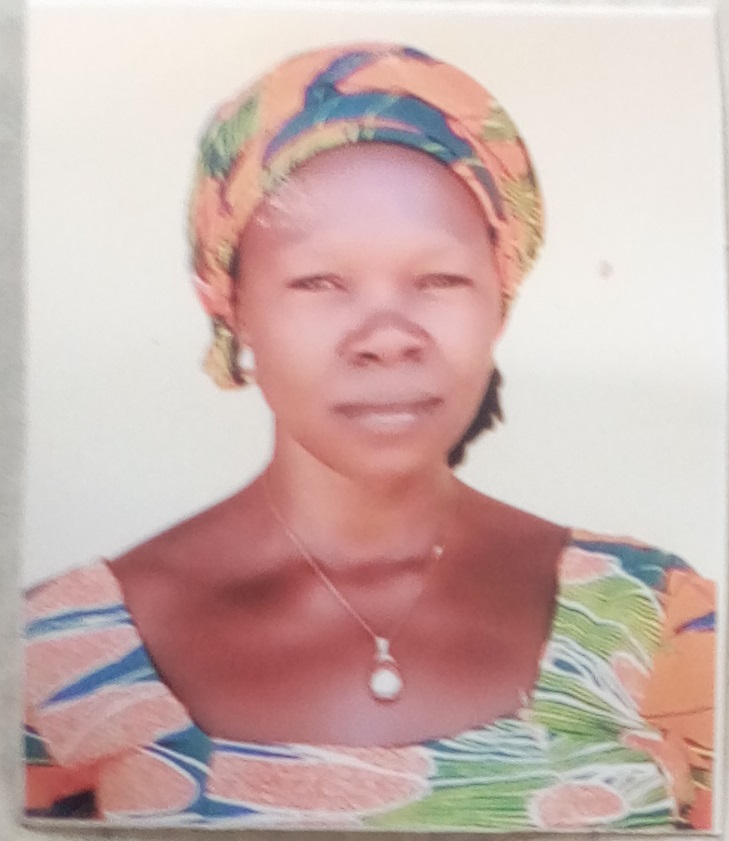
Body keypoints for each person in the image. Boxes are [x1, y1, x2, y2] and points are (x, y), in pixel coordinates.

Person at [24, 43, 716, 830]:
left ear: (500, 295)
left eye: (439, 280)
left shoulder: (659, 620)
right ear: (231, 304)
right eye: (319, 281)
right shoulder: (54, 653)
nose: (388, 337)